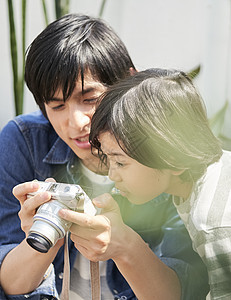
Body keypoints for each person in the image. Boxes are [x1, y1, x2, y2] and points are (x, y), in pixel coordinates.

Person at [0, 14, 209, 300]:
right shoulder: (23, 141)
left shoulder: (165, 150)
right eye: (57, 106)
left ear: (129, 81)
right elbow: (10, 285)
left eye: (89, 99)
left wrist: (124, 246)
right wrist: (44, 236)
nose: (76, 123)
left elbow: (183, 292)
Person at [88, 68, 231, 299]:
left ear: (172, 158)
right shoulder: (210, 175)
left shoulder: (213, 221)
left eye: (121, 163)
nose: (112, 175)